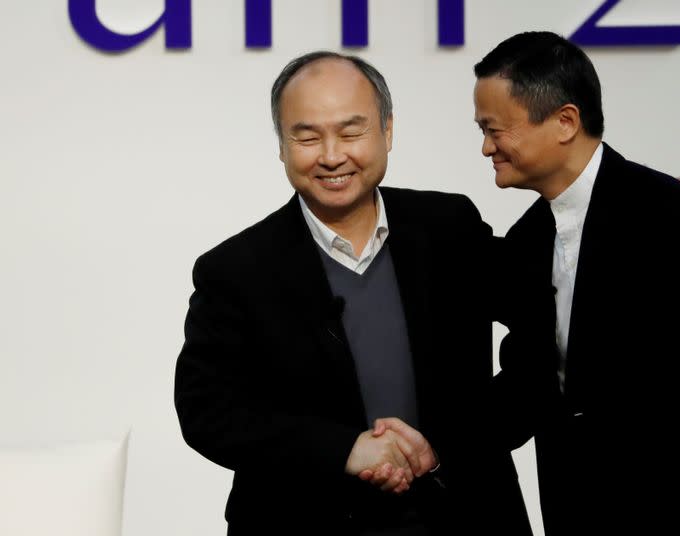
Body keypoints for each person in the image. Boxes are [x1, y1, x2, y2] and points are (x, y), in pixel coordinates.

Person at [174, 51, 532, 535]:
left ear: (387, 131)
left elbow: (544, 326)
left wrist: (453, 443)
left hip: (463, 514)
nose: (331, 155)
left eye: (350, 132)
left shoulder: (450, 228)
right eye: (306, 136)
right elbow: (208, 412)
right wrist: (343, 449)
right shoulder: (235, 270)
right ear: (282, 145)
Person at [470, 30, 680, 535]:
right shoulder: (527, 242)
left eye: (495, 129)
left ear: (565, 122)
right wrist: (431, 445)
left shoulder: (673, 217)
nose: (486, 147)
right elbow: (534, 387)